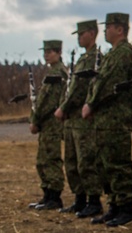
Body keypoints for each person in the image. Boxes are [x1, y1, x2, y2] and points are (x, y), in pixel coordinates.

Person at [83, 12, 132, 226]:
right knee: (105, 164)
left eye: (108, 27)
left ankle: (126, 208)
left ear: (120, 29)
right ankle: (114, 206)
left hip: (116, 120)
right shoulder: (112, 53)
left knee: (118, 165)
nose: (105, 31)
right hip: (106, 120)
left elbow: (108, 84)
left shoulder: (124, 53)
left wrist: (91, 104)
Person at [55, 19, 103, 218]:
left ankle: (93, 200)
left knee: (86, 161)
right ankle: (80, 198)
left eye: (82, 34)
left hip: (83, 119)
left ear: (92, 34)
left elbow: (80, 89)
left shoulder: (95, 58)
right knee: (72, 161)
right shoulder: (83, 58)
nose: (79, 38)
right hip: (73, 119)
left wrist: (63, 107)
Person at [27, 39, 69, 211]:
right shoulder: (52, 72)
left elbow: (50, 102)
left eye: (50, 51)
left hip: (51, 123)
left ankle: (54, 196)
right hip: (45, 123)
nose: (46, 54)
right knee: (42, 159)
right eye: (45, 52)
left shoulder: (59, 73)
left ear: (59, 53)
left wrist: (36, 119)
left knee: (51, 159)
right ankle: (47, 194)